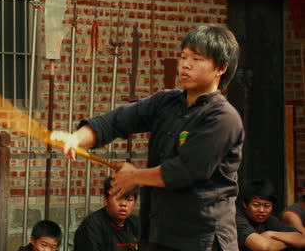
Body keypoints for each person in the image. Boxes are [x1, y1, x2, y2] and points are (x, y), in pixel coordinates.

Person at [50, 24, 244, 250]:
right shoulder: (166, 102)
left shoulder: (223, 117)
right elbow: (115, 121)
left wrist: (136, 177)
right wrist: (76, 138)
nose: (185, 64)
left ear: (220, 67)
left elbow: (185, 171)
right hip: (159, 233)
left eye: (197, 59)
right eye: (183, 57)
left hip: (203, 239)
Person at [73, 176, 139, 251]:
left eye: (129, 199)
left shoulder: (136, 223)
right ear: (105, 200)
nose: (123, 204)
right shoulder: (92, 226)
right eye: (118, 198)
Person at [236, 179, 305, 251]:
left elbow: (302, 239)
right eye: (256, 205)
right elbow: (263, 246)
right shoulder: (237, 218)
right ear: (244, 204)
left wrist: (271, 234)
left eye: (267, 206)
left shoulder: (270, 220)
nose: (261, 210)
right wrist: (290, 243)